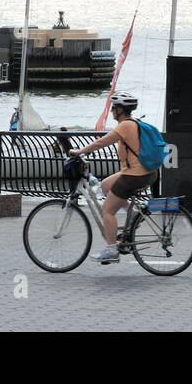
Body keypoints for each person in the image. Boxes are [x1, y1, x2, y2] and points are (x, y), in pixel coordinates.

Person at [67, 96, 158, 264]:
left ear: (120, 110)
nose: (111, 111)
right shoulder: (134, 123)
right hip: (145, 172)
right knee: (105, 185)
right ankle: (135, 213)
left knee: (107, 211)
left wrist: (80, 152)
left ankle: (111, 250)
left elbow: (102, 142)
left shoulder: (124, 126)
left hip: (134, 175)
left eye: (114, 108)